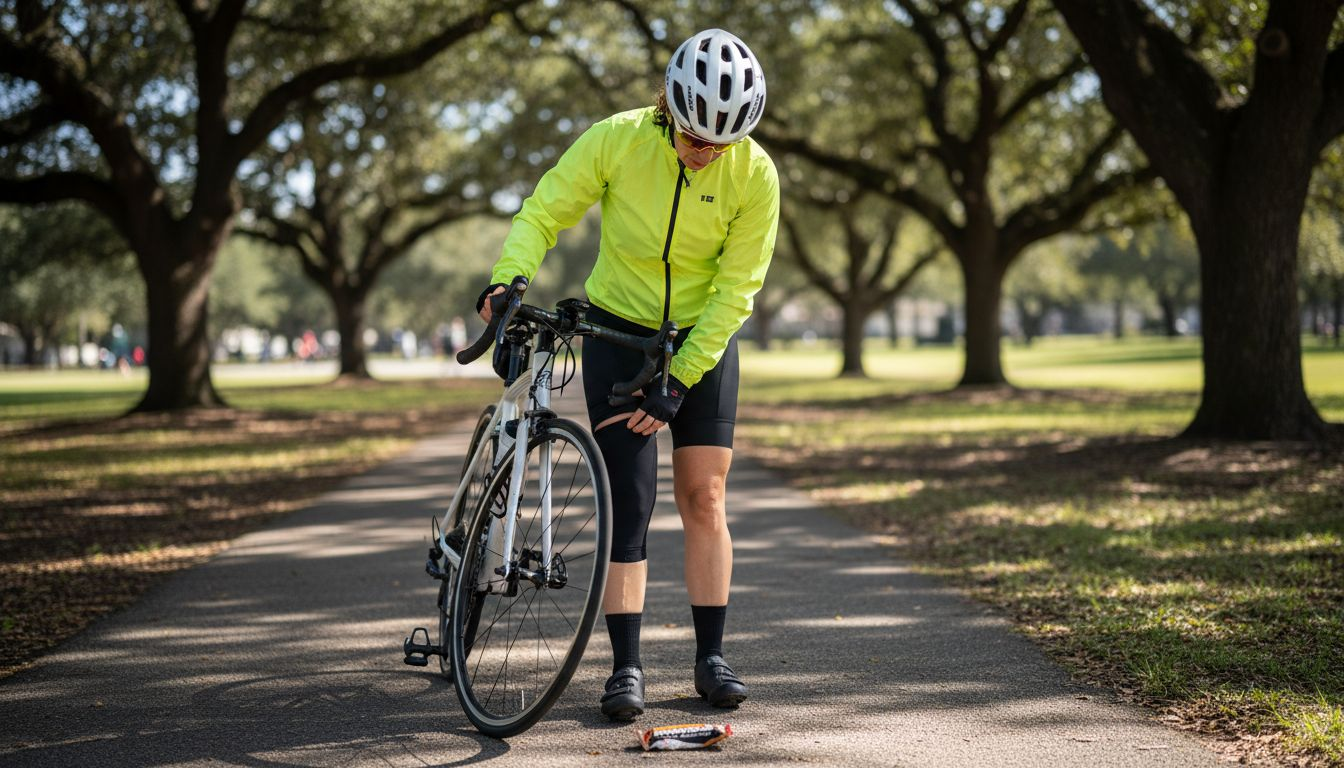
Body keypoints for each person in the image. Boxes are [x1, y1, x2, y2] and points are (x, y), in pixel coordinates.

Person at [477, 28, 778, 721]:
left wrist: (680, 379)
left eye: (721, 143)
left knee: (704, 497)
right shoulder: (616, 139)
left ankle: (711, 659)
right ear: (669, 108)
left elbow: (740, 289)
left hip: (700, 343)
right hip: (617, 334)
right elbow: (545, 210)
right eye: (695, 136)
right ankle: (627, 668)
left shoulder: (756, 174)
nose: (706, 152)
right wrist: (508, 278)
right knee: (629, 505)